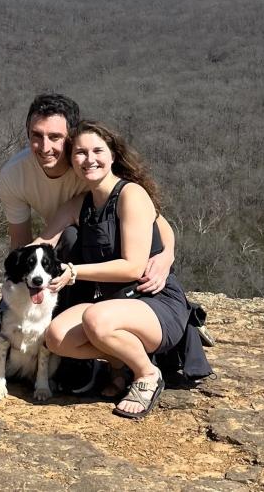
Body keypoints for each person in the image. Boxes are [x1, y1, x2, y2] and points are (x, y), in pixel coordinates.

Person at [31, 120, 202, 419]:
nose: (89, 159)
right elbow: (43, 241)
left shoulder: (131, 194)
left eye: (98, 150)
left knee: (96, 319)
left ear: (113, 155)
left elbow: (133, 267)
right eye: (81, 153)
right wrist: (17, 268)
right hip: (113, 305)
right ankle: (119, 358)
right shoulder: (79, 204)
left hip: (153, 301)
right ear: (72, 159)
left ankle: (147, 373)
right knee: (56, 337)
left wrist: (74, 271)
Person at [0, 93, 176, 295]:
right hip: (61, 249)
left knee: (71, 236)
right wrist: (16, 286)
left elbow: (154, 220)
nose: (45, 147)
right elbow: (24, 241)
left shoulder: (91, 170)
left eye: (55, 137)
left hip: (112, 257)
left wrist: (166, 256)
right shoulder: (15, 174)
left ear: (71, 138)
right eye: (36, 136)